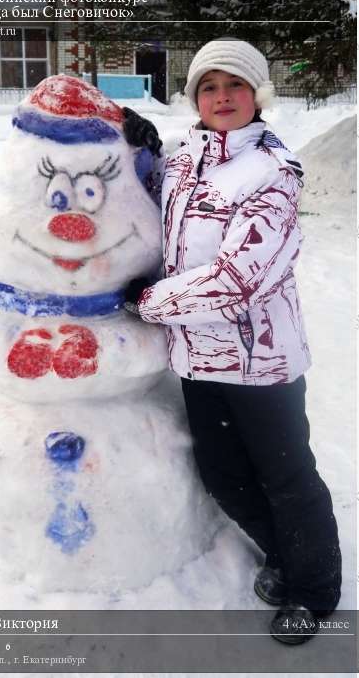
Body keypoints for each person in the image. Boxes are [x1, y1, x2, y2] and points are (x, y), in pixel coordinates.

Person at [122, 38, 342, 645]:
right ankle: (283, 553)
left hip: (263, 361)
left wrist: (150, 303)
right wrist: (137, 148)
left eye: (235, 86)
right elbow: (155, 194)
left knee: (288, 477)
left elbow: (239, 278)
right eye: (210, 87)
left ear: (257, 95)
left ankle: (315, 592)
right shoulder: (185, 155)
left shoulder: (273, 171)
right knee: (223, 474)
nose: (222, 97)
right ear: (196, 98)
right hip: (198, 358)